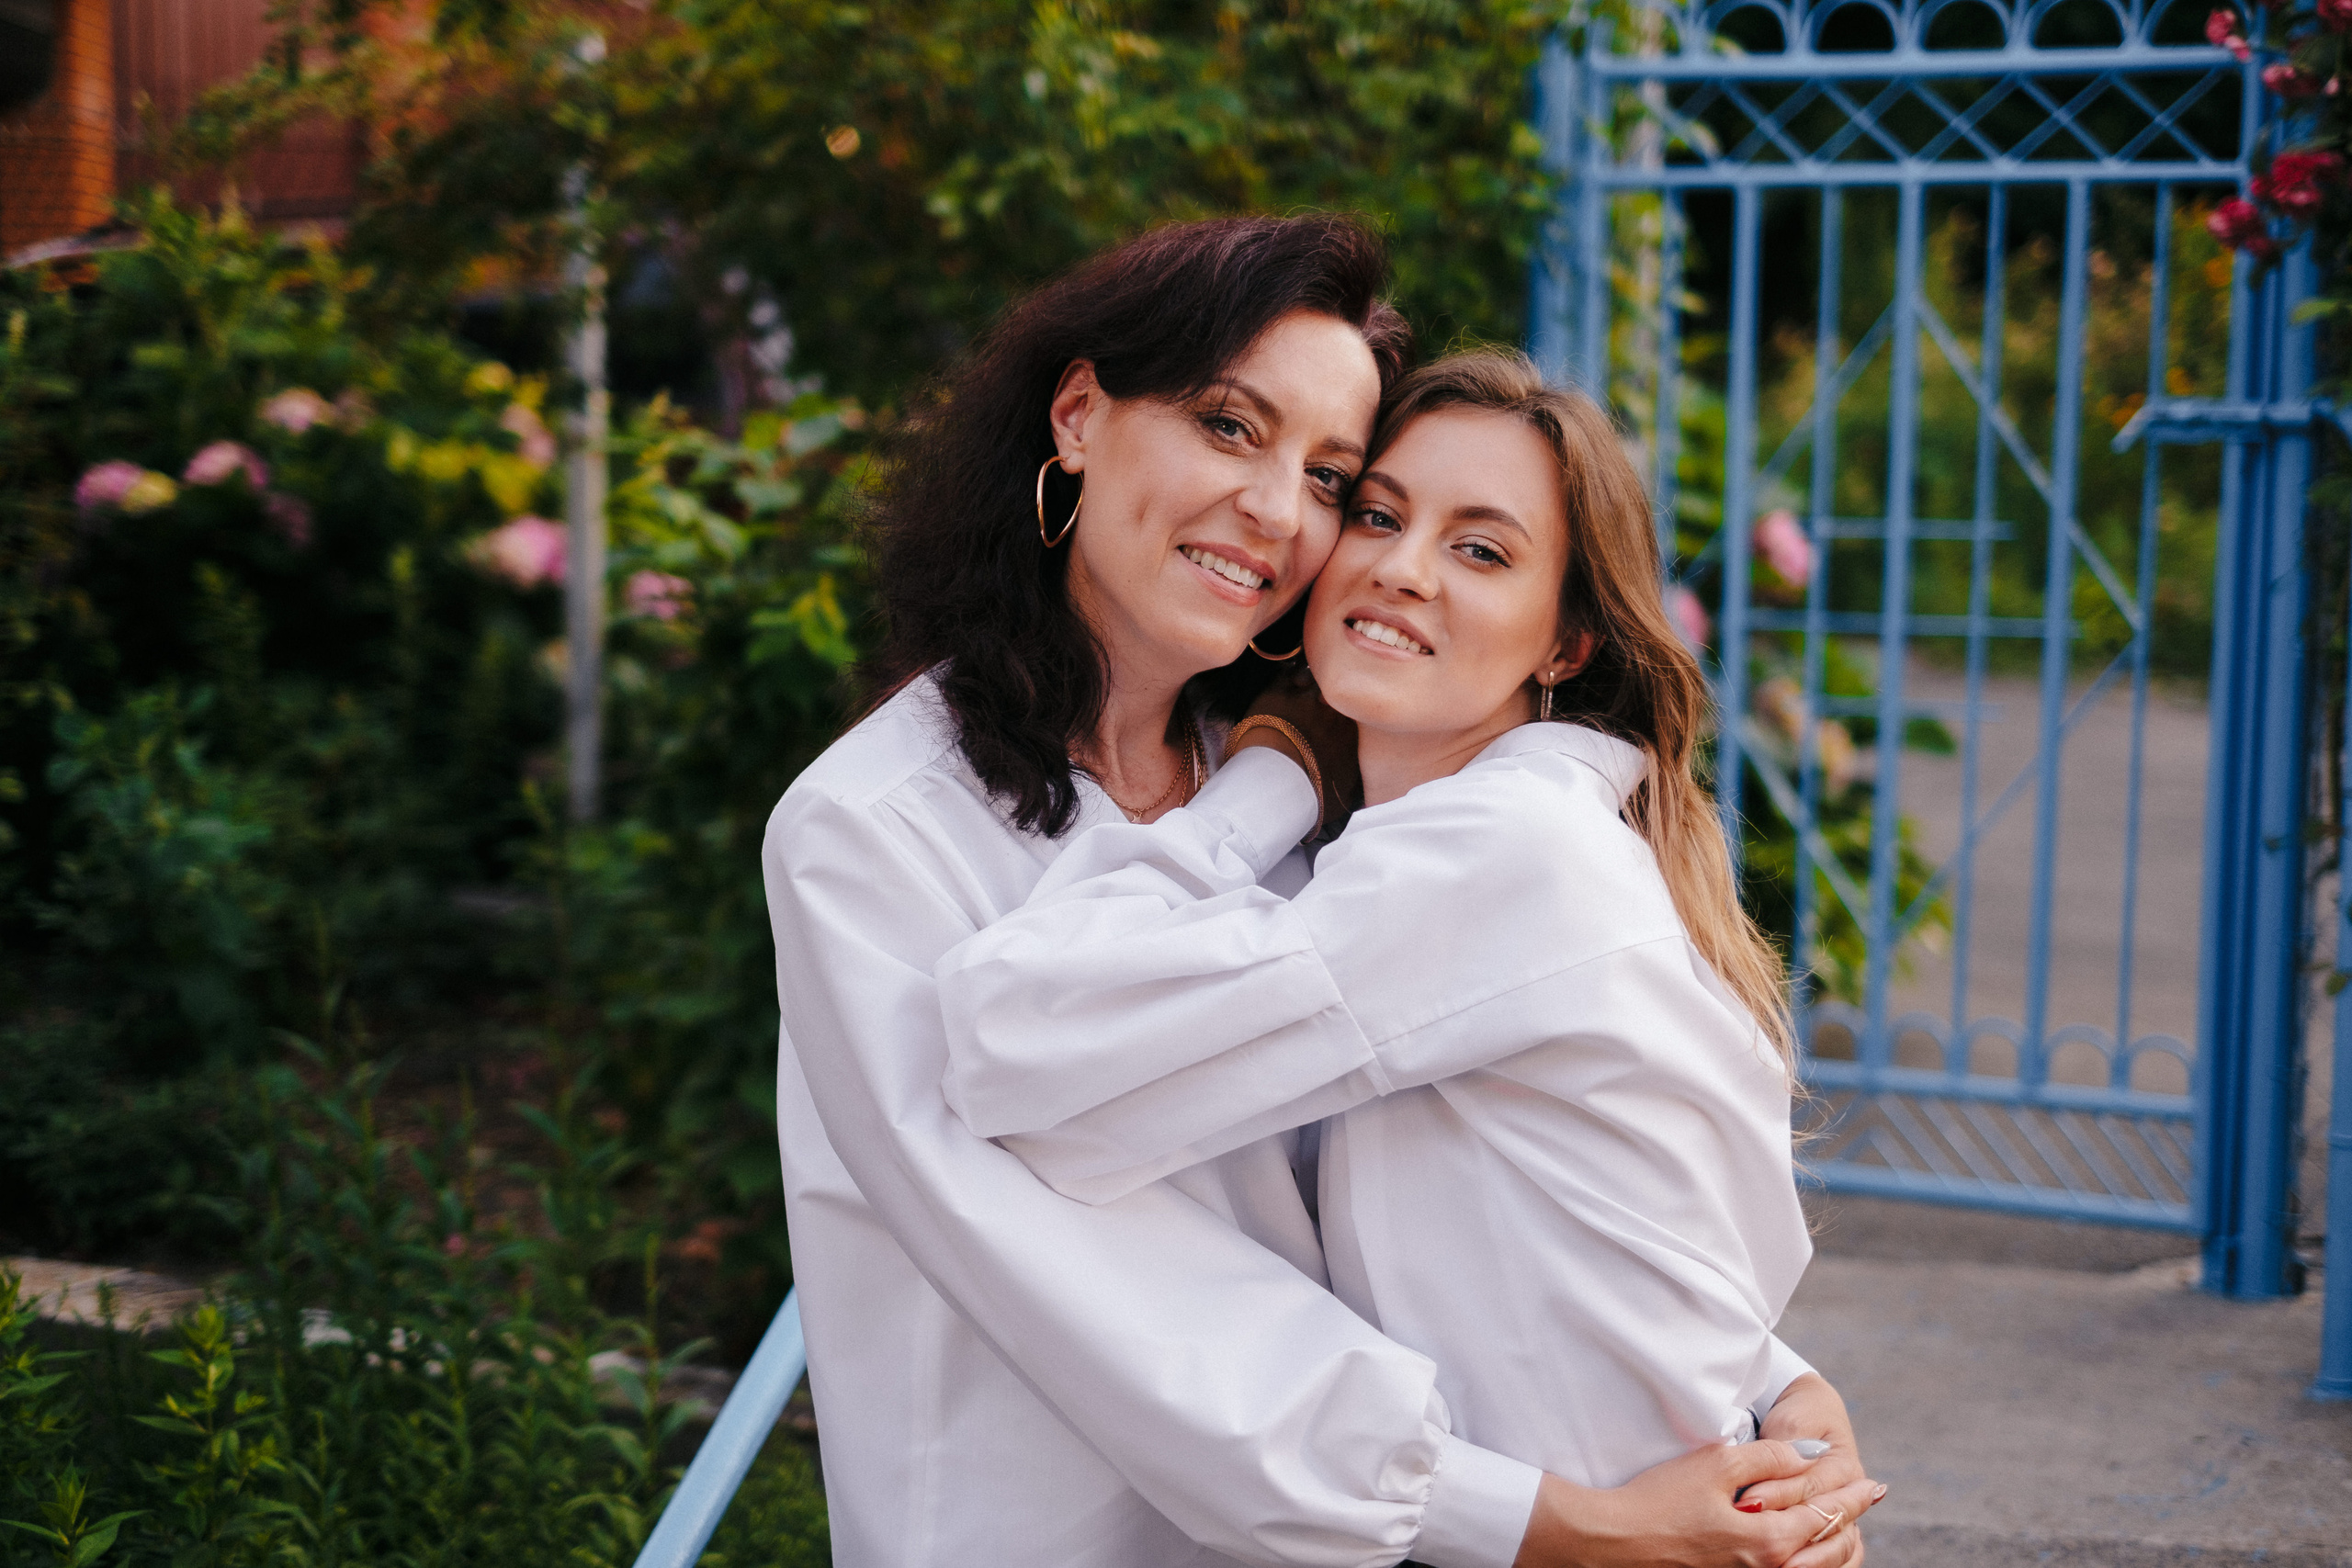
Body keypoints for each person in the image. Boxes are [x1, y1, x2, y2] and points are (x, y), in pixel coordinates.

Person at [762, 217, 1879, 1568]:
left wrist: (1760, 1386)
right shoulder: (873, 835)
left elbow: (1489, 1166)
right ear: (1077, 417)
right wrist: (1547, 1521)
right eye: (1232, 429)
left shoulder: (1321, 799)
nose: (1281, 512)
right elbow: (1110, 1290)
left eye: (1331, 475)